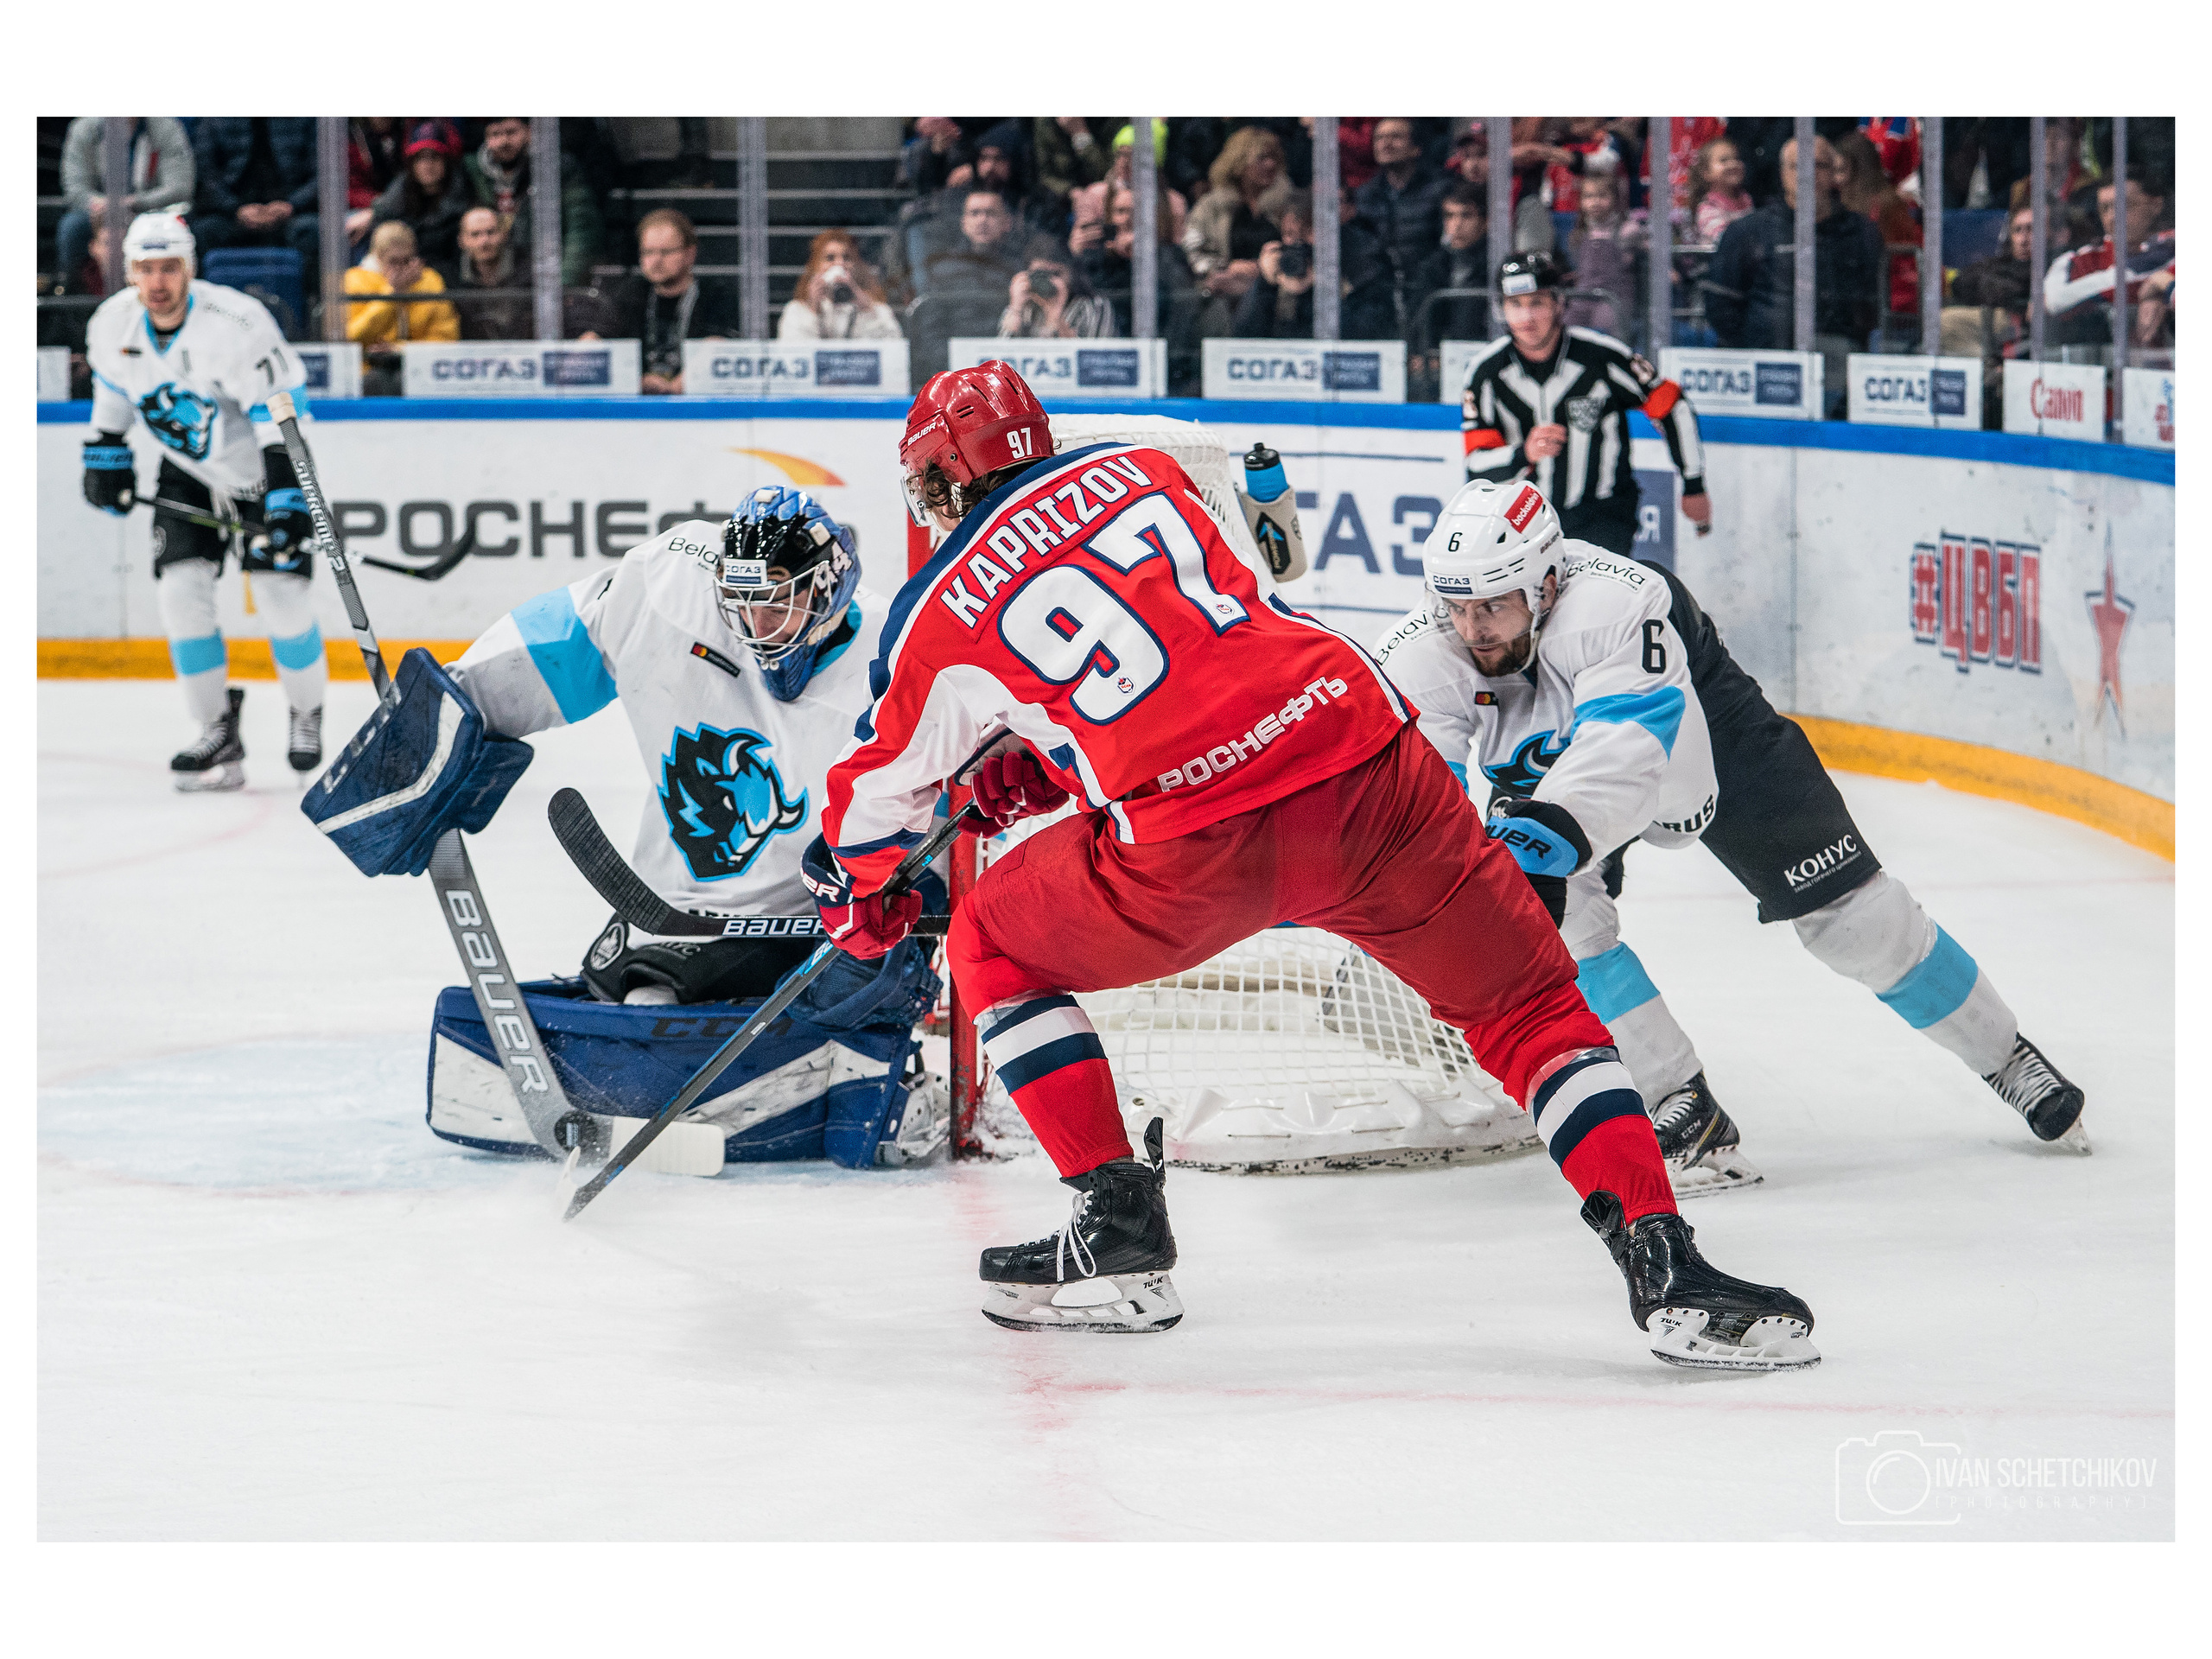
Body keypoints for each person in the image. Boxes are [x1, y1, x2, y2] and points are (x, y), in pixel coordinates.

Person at [808, 363, 1819, 1370]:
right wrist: (1046, 760)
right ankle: (1666, 1263)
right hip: (1366, 763)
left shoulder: (937, 609)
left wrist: (861, 893)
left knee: (990, 940)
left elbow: (874, 798)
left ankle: (1113, 1226)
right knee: (1530, 1011)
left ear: (938, 479)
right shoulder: (1145, 469)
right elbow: (1200, 637)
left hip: (1195, 844)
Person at [1376, 478, 2089, 1183]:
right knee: (1548, 918)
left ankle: (2005, 1054)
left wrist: (1536, 845)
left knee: (1854, 919)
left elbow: (1626, 750)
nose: (1472, 629)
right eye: (1458, 607)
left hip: (1696, 726)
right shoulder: (1425, 646)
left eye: (1494, 606)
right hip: (1552, 756)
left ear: (1548, 585)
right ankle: (1681, 1101)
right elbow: (1419, 792)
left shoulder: (1618, 602)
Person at [302, 490, 949, 1171]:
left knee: (863, 986)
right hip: (672, 914)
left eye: (779, 600)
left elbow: (959, 801)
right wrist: (445, 720)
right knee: (641, 995)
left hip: (823, 922)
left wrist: (913, 891)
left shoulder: (898, 657)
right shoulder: (668, 584)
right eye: (743, 602)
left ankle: (872, 1076)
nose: (758, 625)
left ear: (829, 585)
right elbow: (547, 651)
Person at [79, 213, 327, 790]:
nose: (158, 282)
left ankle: (306, 713)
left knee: (280, 596)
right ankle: (217, 729)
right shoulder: (112, 323)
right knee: (180, 596)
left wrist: (287, 498)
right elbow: (114, 389)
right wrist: (105, 449)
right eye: (145, 269)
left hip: (260, 470)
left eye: (170, 268)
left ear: (189, 268)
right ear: (129, 273)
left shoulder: (238, 323)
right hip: (187, 472)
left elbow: (281, 414)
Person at [1459, 251, 1707, 554]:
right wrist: (1524, 452)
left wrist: (1693, 483)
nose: (1526, 317)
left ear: (1559, 303)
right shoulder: (1485, 372)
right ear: (1501, 309)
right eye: (1515, 305)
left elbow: (1672, 406)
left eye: (1537, 302)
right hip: (1522, 522)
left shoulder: (1603, 357)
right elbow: (1476, 465)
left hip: (1602, 516)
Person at [1702, 134, 1883, 397]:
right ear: (1783, 173)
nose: (1808, 174)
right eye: (1797, 166)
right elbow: (1720, 307)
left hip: (1840, 368)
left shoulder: (1863, 233)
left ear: (1835, 173)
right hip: (1763, 369)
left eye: (1818, 165)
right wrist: (1755, 352)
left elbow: (1874, 306)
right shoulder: (1747, 233)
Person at [604, 208, 741, 393]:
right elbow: (606, 345)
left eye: (666, 252)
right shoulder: (629, 294)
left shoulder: (716, 295)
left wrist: (677, 386)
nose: (656, 260)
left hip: (698, 405)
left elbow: (721, 349)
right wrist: (636, 381)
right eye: (648, 252)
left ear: (690, 254)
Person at [462, 117, 601, 287]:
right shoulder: (473, 172)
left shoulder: (557, 169)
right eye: (495, 134)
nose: (503, 141)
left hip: (547, 277)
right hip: (497, 282)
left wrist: (564, 284)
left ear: (529, 132)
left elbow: (580, 231)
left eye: (511, 132)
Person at [57, 118, 194, 288]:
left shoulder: (166, 127)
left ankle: (182, 290)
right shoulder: (83, 129)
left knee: (188, 228)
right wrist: (103, 203)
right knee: (73, 227)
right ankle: (74, 298)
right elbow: (75, 188)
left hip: (150, 210)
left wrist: (131, 202)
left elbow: (179, 187)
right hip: (99, 210)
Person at [2044, 173, 2176, 350]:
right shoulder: (2083, 257)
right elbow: (2055, 300)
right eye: (2105, 208)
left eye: (2124, 205)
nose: (2113, 217)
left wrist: (2162, 287)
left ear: (2156, 205)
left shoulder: (2173, 249)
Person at [1181, 126, 1291, 336]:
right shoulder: (1211, 206)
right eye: (1262, 158)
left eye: (1275, 158)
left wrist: (1263, 270)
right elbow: (1192, 249)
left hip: (1277, 301)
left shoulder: (1287, 205)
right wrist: (1225, 269)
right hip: (1223, 299)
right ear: (1239, 162)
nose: (1271, 164)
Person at [1356, 118, 1451, 335]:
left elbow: (1446, 246)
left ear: (1416, 148)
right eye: (1380, 138)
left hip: (1431, 292)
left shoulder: (1440, 188)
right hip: (1381, 297)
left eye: (1396, 137)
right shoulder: (1365, 194)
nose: (1386, 144)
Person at [343, 219, 460, 392]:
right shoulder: (354, 280)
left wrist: (400, 350)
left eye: (407, 261)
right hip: (366, 370)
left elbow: (447, 339)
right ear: (378, 257)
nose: (401, 269)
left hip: (420, 369)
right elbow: (351, 338)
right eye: (393, 262)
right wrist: (392, 294)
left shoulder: (430, 280)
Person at [188, 118, 321, 262]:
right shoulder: (214, 120)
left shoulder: (306, 119)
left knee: (313, 231)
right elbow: (205, 177)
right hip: (230, 213)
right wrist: (235, 209)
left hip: (292, 211)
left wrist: (292, 205)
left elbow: (323, 175)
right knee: (203, 231)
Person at [1834, 131, 1920, 329]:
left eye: (1842, 170)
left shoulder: (1887, 204)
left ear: (1861, 169)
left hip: (1892, 297)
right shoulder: (1838, 205)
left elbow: (1895, 264)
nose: (1836, 179)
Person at [1069, 123, 1188, 260]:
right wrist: (1078, 244)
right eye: (1120, 154)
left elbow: (1176, 254)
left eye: (1133, 155)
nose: (1124, 161)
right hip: (1104, 269)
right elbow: (1078, 243)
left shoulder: (1173, 202)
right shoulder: (1096, 194)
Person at [368, 121, 472, 271]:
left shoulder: (462, 193)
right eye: (420, 158)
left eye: (434, 157)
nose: (427, 165)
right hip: (400, 273)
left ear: (446, 161)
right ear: (412, 164)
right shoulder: (396, 197)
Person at [779, 229, 903, 340]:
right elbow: (796, 355)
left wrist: (866, 311)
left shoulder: (878, 311)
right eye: (830, 258)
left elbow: (892, 351)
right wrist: (813, 310)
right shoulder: (797, 311)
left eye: (847, 258)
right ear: (816, 266)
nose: (839, 264)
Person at [1411, 181, 1491, 350]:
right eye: (1449, 216)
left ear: (1486, 222)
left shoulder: (1494, 265)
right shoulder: (1432, 267)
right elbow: (1418, 323)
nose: (1457, 225)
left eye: (1466, 216)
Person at [1563, 168, 1640, 340]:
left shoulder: (1628, 230)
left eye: (1602, 196)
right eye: (1589, 196)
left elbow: (1644, 258)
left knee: (1605, 330)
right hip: (1583, 297)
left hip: (1614, 298)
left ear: (1615, 199)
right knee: (1565, 329)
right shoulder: (1580, 234)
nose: (1595, 202)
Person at [1230, 190, 1317, 337]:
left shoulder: (1345, 266)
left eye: (1306, 233)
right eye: (1288, 234)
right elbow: (1245, 336)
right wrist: (1267, 281)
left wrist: (1316, 284)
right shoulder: (1280, 269)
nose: (1295, 243)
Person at [998, 239, 1116, 339]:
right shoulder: (1025, 305)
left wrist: (1056, 318)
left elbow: (1095, 359)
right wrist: (1016, 308)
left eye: (1056, 274)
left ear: (1071, 274)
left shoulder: (1095, 306)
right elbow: (1001, 358)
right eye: (1041, 274)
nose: (1049, 281)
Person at [448, 205, 531, 340]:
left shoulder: (529, 271)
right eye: (475, 234)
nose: (484, 241)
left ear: (504, 234)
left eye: (491, 232)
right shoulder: (450, 278)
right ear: (461, 240)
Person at [1688, 137, 1752, 245]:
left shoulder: (1746, 199)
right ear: (1706, 172)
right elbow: (1725, 240)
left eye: (1736, 159)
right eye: (1724, 160)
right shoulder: (1708, 208)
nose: (1733, 164)